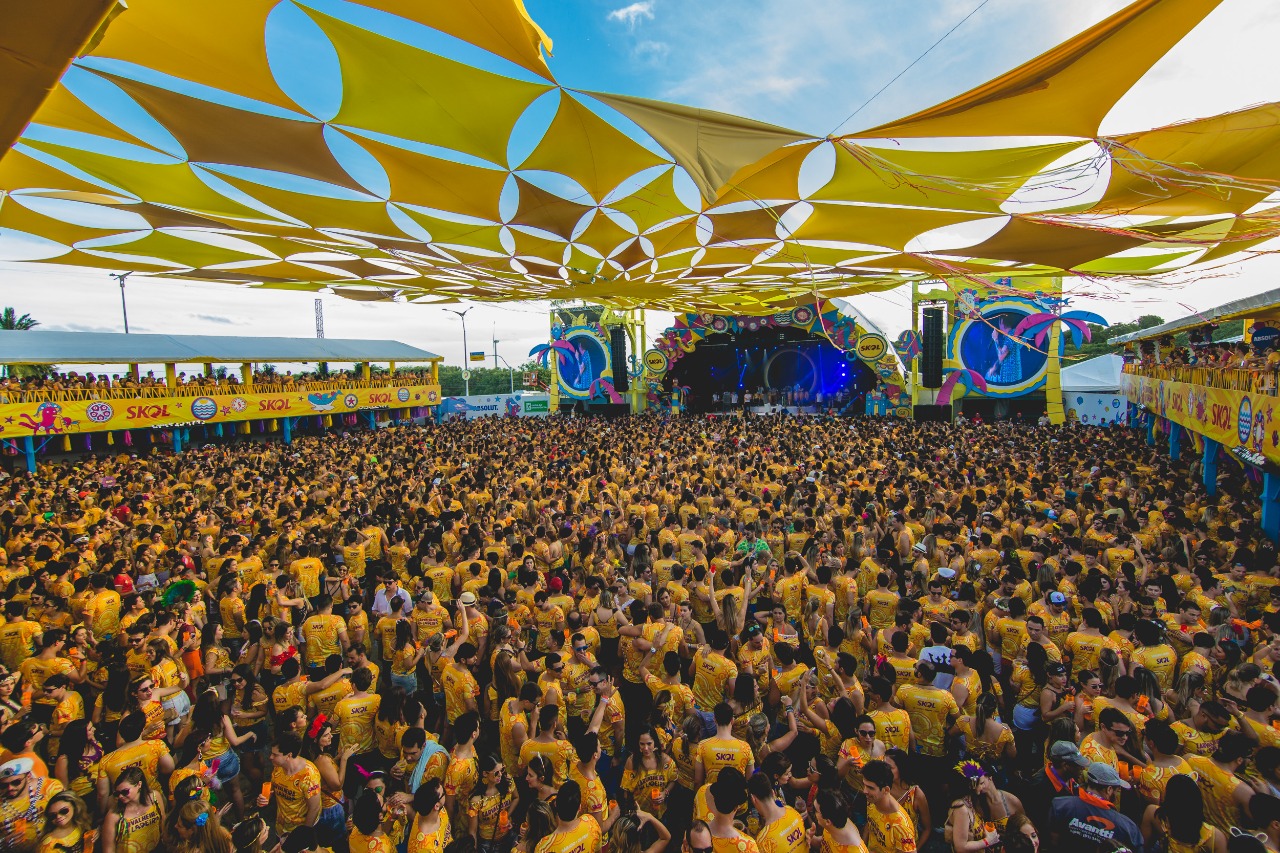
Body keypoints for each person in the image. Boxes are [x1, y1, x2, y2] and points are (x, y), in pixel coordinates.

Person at [1047, 762, 1144, 853]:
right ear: (1109, 789)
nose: (1117, 793)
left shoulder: (1060, 805)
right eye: (1117, 790)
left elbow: (1053, 842)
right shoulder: (1127, 827)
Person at [100, 766, 164, 853]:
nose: (120, 796)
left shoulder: (155, 797)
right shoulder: (113, 816)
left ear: (139, 785)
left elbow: (163, 823)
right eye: (117, 793)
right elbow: (108, 849)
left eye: (125, 791)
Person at [861, 759, 917, 853]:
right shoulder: (872, 800)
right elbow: (869, 825)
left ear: (886, 790)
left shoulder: (901, 826)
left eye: (870, 787)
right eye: (865, 785)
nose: (865, 791)